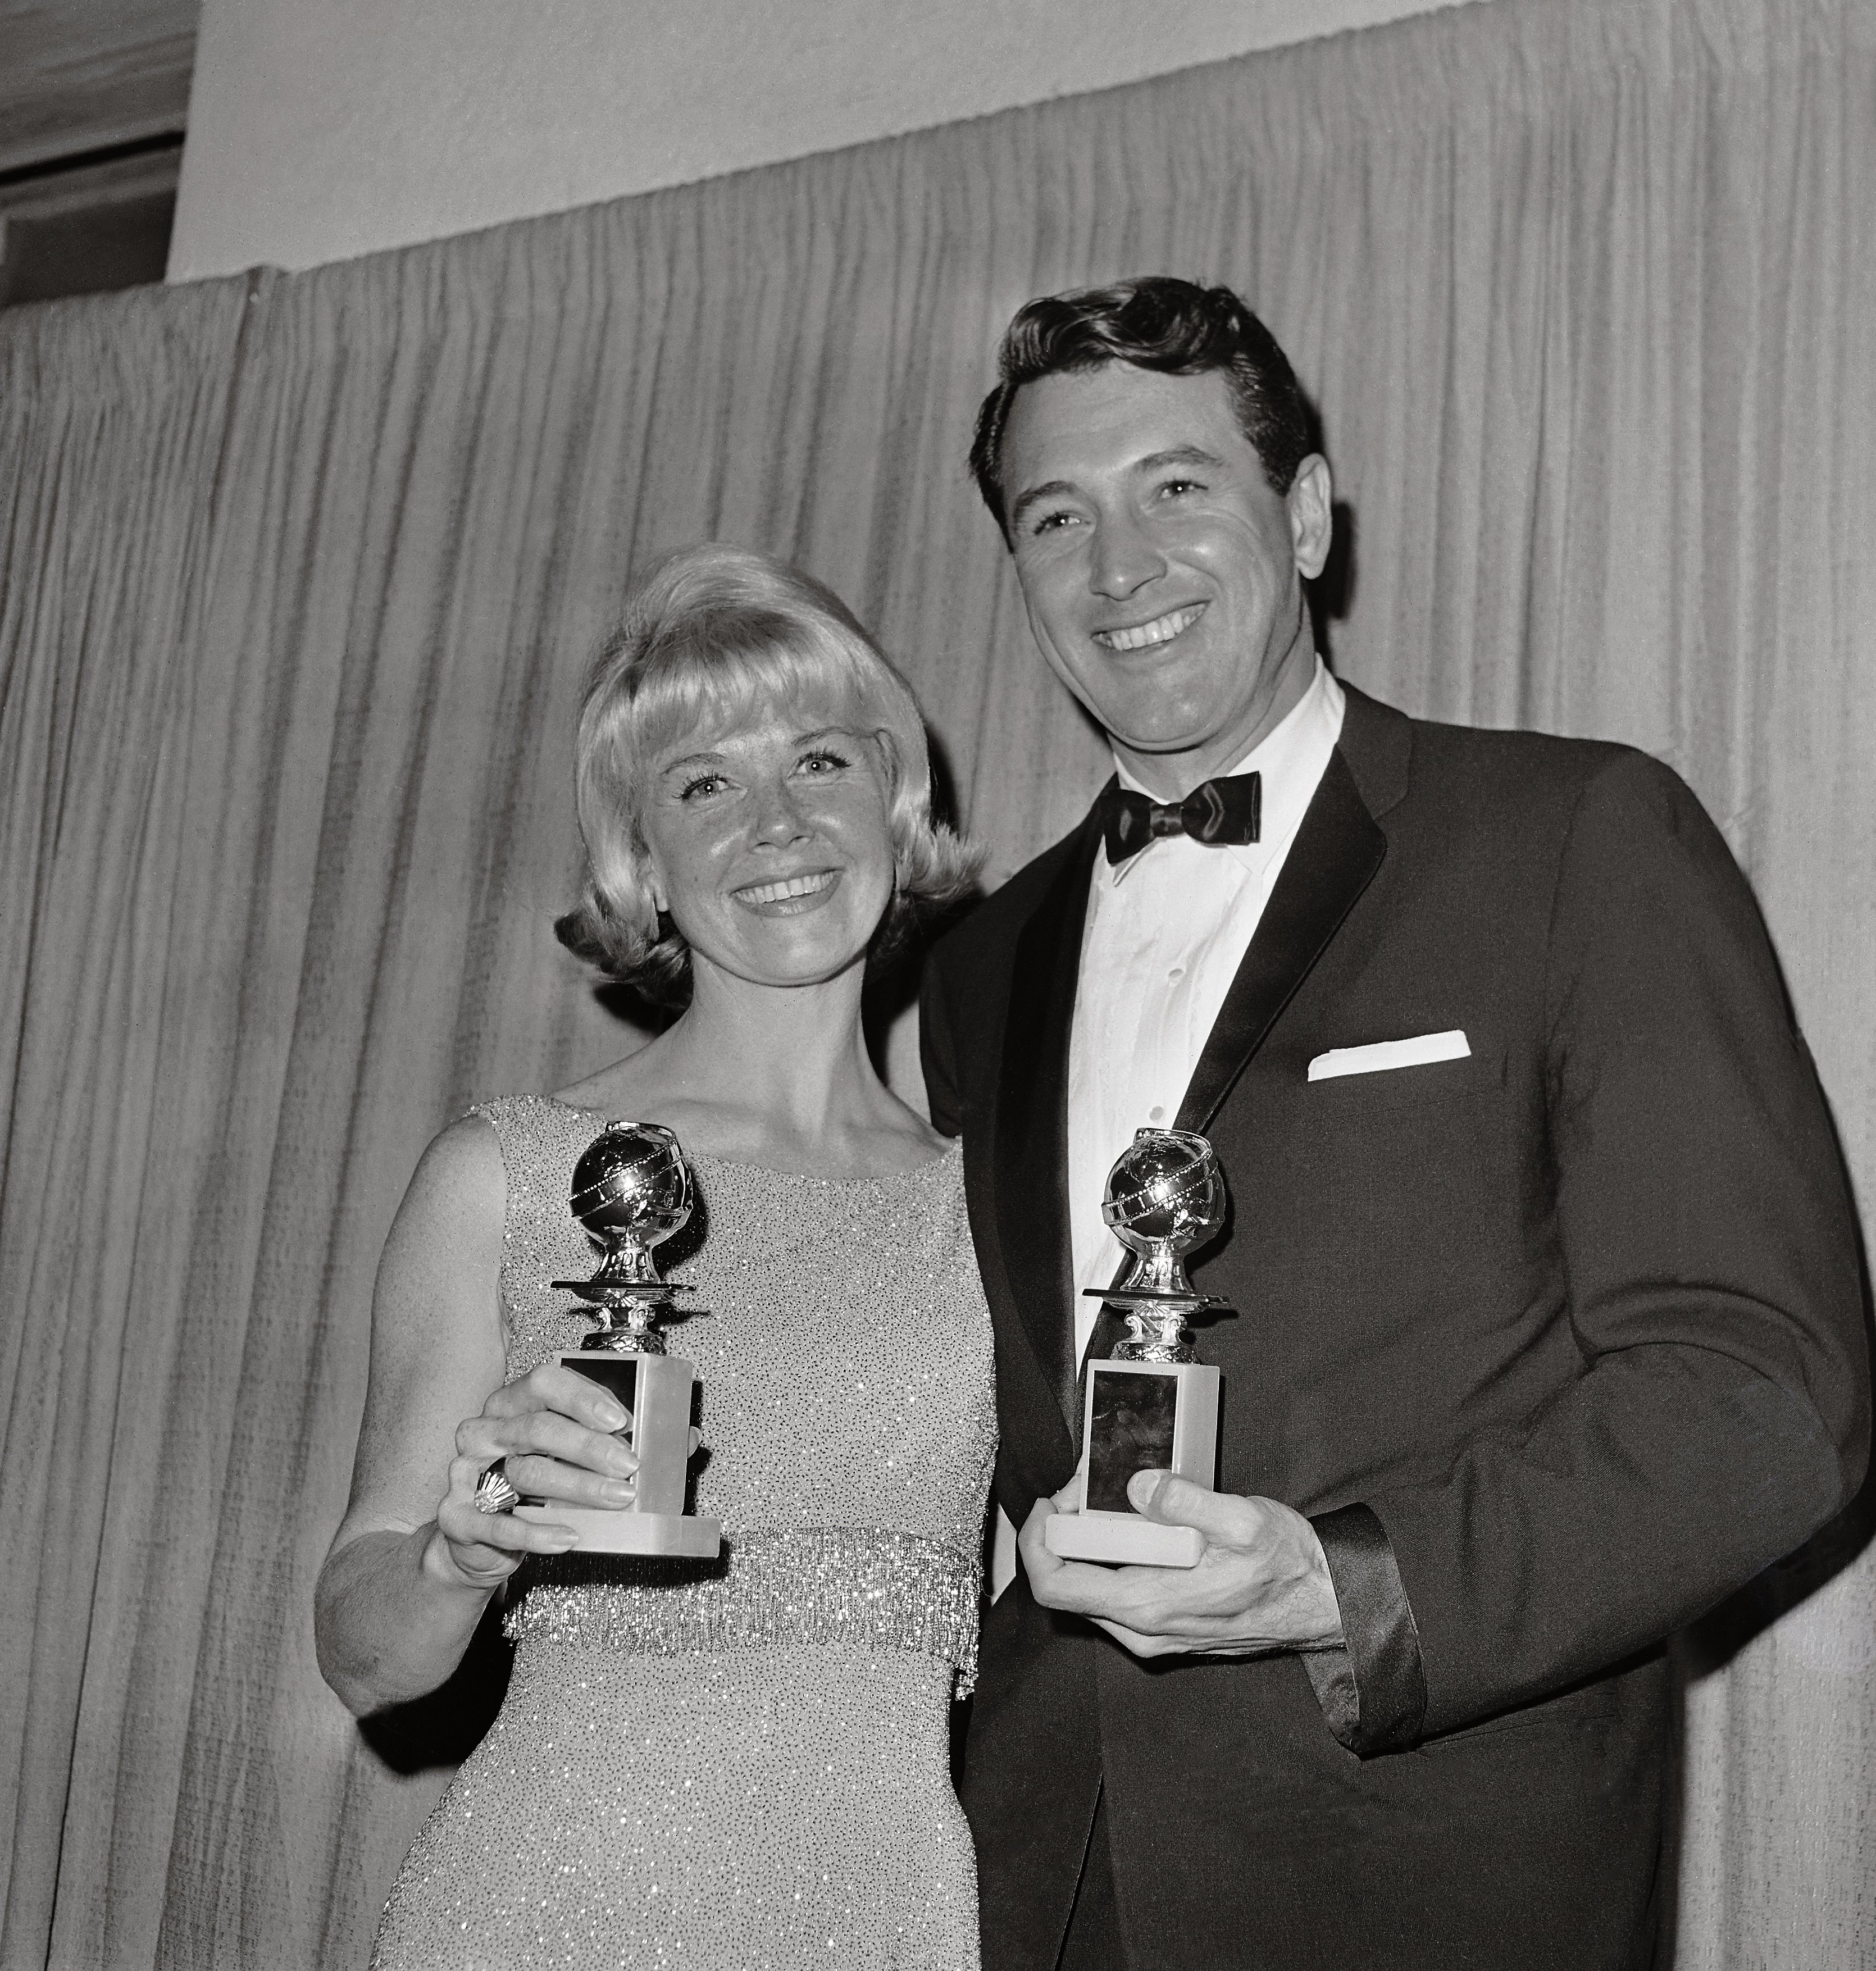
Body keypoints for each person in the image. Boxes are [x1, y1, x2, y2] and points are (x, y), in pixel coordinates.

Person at [919, 277, 1869, 1971]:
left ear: (1302, 511)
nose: (1115, 565)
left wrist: (1335, 1583)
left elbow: (1762, 1394)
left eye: (1176, 487)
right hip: (1036, 1874)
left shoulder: (1574, 833)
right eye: (1054, 517)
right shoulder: (971, 965)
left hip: (1427, 1865)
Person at [315, 543, 994, 1970]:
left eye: (818, 760)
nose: (777, 824)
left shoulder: (991, 1211)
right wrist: (463, 1545)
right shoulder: (508, 1175)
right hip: (544, 1916)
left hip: (882, 1919)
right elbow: (365, 1655)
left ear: (894, 796)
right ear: (646, 865)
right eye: (704, 786)